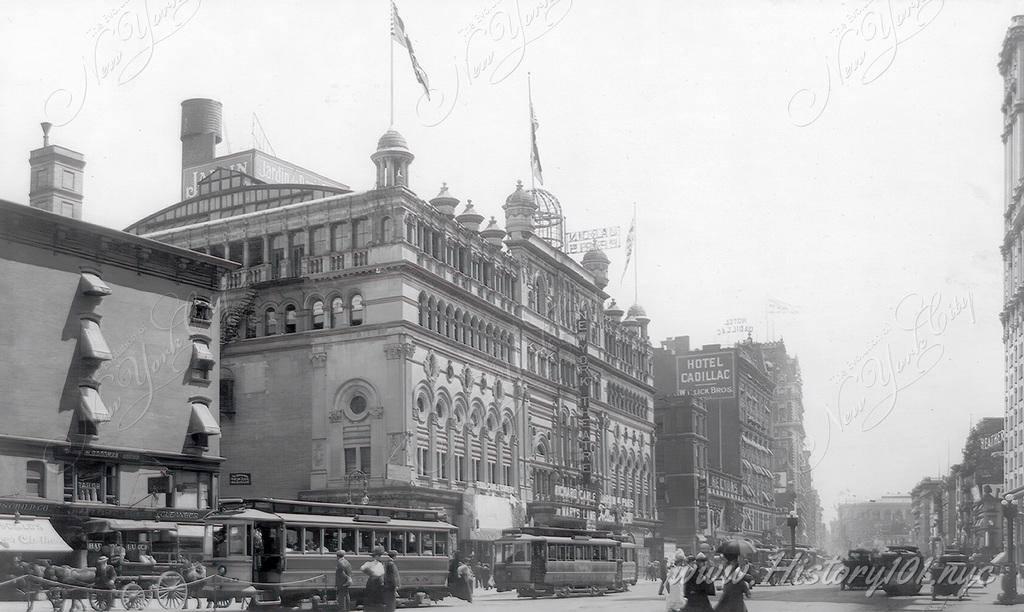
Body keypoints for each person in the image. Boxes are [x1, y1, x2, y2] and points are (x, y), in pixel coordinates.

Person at [360, 546, 387, 612]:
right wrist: (371, 573)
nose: (380, 557)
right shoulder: (371, 563)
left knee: (377, 598)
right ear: (377, 556)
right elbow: (363, 568)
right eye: (380, 555)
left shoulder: (379, 563)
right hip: (374, 582)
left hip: (377, 582)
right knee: (373, 598)